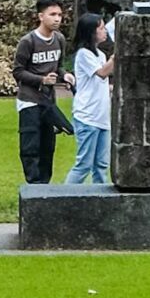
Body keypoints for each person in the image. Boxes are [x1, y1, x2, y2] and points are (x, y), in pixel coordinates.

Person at [14, 0, 68, 184]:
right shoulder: (28, 41)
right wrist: (41, 79)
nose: (57, 19)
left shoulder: (59, 39)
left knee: (48, 146)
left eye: (60, 14)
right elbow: (18, 72)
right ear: (41, 16)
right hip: (29, 100)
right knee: (30, 146)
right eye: (52, 14)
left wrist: (65, 75)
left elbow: (58, 66)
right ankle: (33, 186)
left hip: (48, 101)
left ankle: (45, 187)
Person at [63, 11, 112, 186]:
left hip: (102, 118)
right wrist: (119, 52)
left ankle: (100, 201)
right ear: (91, 32)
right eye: (101, 27)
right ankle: (64, 199)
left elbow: (101, 82)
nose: (105, 31)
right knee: (83, 165)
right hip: (87, 117)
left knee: (101, 165)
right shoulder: (84, 54)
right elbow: (102, 73)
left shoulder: (100, 55)